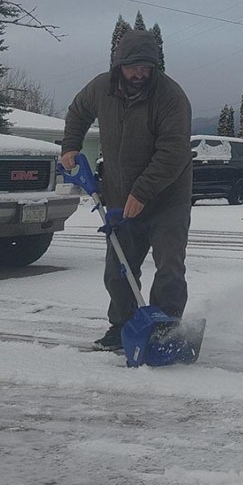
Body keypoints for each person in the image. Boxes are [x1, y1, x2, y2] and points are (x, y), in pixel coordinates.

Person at [59, 28, 193, 351]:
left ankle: (166, 328)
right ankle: (122, 327)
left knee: (169, 266)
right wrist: (70, 146)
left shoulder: (171, 97)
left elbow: (173, 152)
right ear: (120, 64)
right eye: (134, 67)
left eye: (147, 68)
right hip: (120, 195)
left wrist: (143, 192)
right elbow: (78, 112)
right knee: (118, 268)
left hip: (166, 199)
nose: (140, 74)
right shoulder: (101, 88)